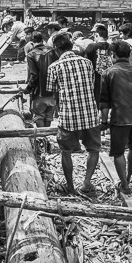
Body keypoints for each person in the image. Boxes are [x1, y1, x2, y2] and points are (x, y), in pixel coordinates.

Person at [46, 32, 101, 195]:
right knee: (94, 149)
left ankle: (70, 188)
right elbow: (91, 85)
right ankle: (86, 183)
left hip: (68, 117)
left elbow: (53, 93)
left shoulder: (54, 67)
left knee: (66, 151)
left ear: (56, 49)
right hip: (90, 115)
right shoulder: (87, 63)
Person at [99, 41, 132, 192]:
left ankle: (125, 184)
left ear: (113, 55)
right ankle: (128, 176)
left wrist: (103, 121)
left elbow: (104, 101)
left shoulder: (108, 73)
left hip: (121, 117)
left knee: (118, 152)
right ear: (129, 55)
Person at [25, 31, 58, 127]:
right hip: (53, 92)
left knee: (39, 116)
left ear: (32, 42)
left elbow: (34, 75)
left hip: (39, 92)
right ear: (42, 40)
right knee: (48, 116)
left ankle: (42, 138)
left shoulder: (31, 54)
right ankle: (46, 137)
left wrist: (28, 88)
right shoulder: (53, 51)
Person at [84, 23, 114, 103]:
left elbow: (85, 63)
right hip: (110, 78)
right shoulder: (112, 47)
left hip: (95, 80)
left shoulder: (91, 46)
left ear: (96, 35)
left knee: (96, 101)